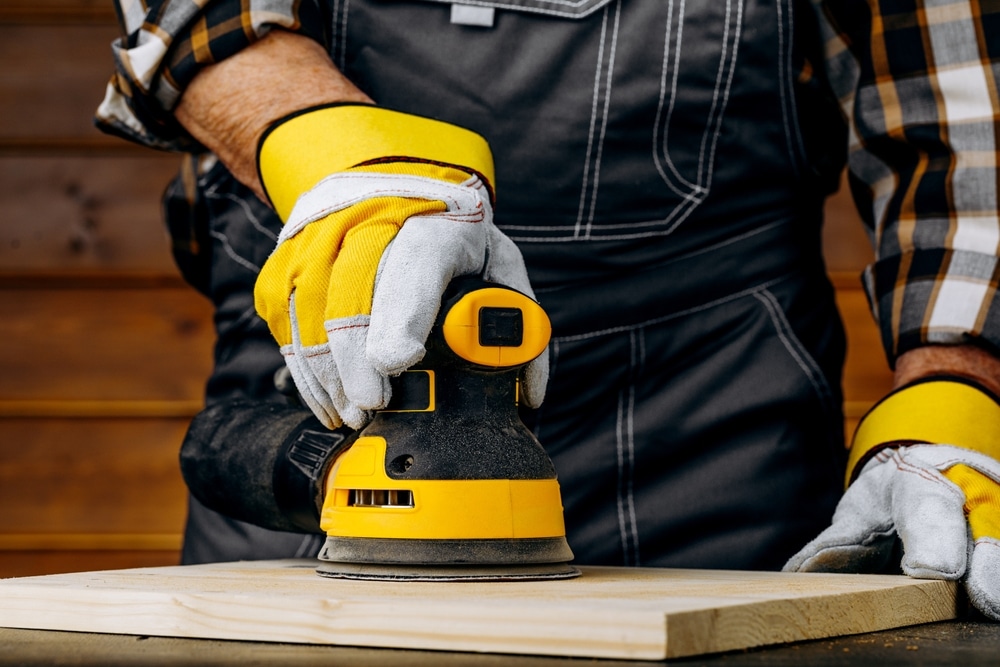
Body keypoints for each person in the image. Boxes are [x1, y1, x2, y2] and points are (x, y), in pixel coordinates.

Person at [97, 0, 999, 618]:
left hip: (708, 420)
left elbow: (961, 115)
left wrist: (959, 385)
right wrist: (340, 158)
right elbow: (194, 20)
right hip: (327, 376)